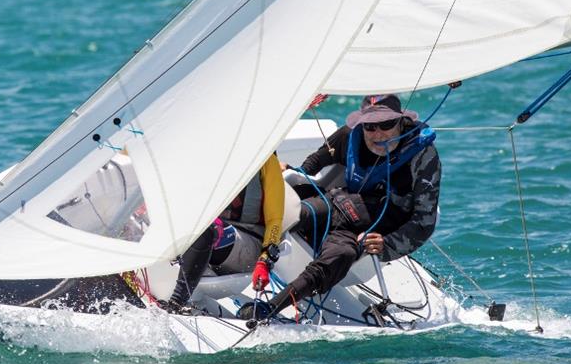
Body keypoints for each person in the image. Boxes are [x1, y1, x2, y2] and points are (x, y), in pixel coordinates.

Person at [240, 94, 441, 319]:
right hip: (339, 204)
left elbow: (424, 221)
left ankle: (267, 309)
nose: (378, 134)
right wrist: (287, 170)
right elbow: (314, 162)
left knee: (339, 256)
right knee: (294, 212)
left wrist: (388, 244)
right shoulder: (350, 135)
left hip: (369, 231)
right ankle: (227, 248)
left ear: (401, 122)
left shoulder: (422, 155)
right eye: (370, 126)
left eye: (386, 124)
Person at [162, 153, 289, 312]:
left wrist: (265, 260)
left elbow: (275, 221)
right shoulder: (214, 148)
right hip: (211, 234)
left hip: (248, 242)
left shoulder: (267, 160)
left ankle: (175, 303)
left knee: (208, 227)